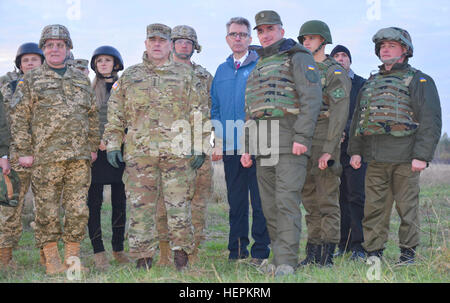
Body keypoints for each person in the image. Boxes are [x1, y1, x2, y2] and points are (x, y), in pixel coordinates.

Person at [104, 24, 200, 271]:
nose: (157, 44)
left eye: (162, 40)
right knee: (140, 208)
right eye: (152, 40)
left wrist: (200, 144)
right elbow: (115, 113)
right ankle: (142, 259)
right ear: (146, 44)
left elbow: (198, 111)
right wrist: (113, 142)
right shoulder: (131, 76)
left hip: (177, 153)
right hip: (140, 154)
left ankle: (181, 257)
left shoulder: (185, 75)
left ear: (170, 45)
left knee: (179, 207)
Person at [10, 24, 100, 275]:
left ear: (68, 49)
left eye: (60, 45)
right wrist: (25, 151)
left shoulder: (81, 80)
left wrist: (92, 146)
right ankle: (51, 259)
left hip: (78, 159)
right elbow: (18, 118)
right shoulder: (31, 79)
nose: (55, 49)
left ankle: (72, 256)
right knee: (47, 210)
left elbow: (92, 116)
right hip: (44, 158)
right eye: (50, 45)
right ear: (43, 49)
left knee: (78, 210)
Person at [348, 27, 442, 264]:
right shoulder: (370, 83)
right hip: (376, 158)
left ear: (405, 50)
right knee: (374, 209)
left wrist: (422, 155)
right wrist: (356, 151)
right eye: (382, 46)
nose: (385, 49)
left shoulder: (419, 80)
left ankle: (408, 254)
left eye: (391, 45)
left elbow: (430, 120)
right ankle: (374, 253)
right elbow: (360, 119)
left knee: (406, 209)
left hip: (406, 158)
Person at [241, 10, 322, 276]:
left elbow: (311, 99)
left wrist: (302, 138)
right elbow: (251, 108)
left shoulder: (298, 58)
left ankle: (287, 262)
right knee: (270, 205)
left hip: (289, 143)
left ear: (282, 31)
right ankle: (277, 259)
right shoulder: (261, 64)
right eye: (260, 31)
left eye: (270, 30)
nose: (264, 35)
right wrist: (247, 147)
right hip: (264, 147)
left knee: (286, 202)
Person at [210, 17, 270, 265]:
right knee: (236, 202)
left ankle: (260, 252)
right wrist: (219, 140)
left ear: (250, 39)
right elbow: (215, 108)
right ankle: (237, 251)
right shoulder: (222, 71)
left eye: (243, 34)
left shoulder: (261, 66)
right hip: (231, 146)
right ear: (227, 39)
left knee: (259, 201)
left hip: (258, 145)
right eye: (234, 34)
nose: (238, 38)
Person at [156, 25, 212, 266]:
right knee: (163, 204)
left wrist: (205, 145)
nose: (184, 45)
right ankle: (166, 253)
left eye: (189, 42)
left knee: (197, 203)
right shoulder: (158, 74)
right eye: (179, 41)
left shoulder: (204, 76)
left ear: (194, 46)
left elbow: (212, 110)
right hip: (166, 150)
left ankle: (192, 252)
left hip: (198, 148)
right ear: (172, 44)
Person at [297, 20, 351, 267]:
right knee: (308, 198)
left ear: (323, 40)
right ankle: (313, 251)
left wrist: (329, 149)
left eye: (311, 38)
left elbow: (340, 113)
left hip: (324, 136)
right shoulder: (301, 68)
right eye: (304, 39)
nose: (306, 42)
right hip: (303, 137)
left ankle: (328, 254)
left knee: (327, 197)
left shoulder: (334, 71)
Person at [0, 43, 44, 269]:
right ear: (19, 64)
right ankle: (5, 259)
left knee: (47, 209)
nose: (29, 63)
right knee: (10, 208)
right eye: (25, 60)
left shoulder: (53, 88)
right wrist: (3, 155)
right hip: (16, 158)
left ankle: (48, 258)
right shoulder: (8, 88)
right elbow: (3, 124)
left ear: (42, 62)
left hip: (46, 158)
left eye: (34, 60)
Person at [88, 46, 129, 271]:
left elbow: (130, 116)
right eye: (99, 61)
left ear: (116, 64)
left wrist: (117, 140)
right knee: (93, 204)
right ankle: (98, 252)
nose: (103, 64)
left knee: (119, 204)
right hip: (95, 154)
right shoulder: (89, 89)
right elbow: (84, 119)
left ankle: (118, 249)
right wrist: (96, 142)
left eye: (108, 60)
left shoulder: (124, 87)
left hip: (118, 152)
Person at [330, 45, 367, 260]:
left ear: (350, 61)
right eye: (336, 56)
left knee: (357, 197)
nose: (340, 59)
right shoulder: (328, 83)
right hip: (334, 150)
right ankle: (343, 244)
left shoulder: (361, 84)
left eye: (344, 55)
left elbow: (364, 115)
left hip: (356, 149)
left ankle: (359, 246)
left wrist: (345, 131)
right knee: (339, 198)